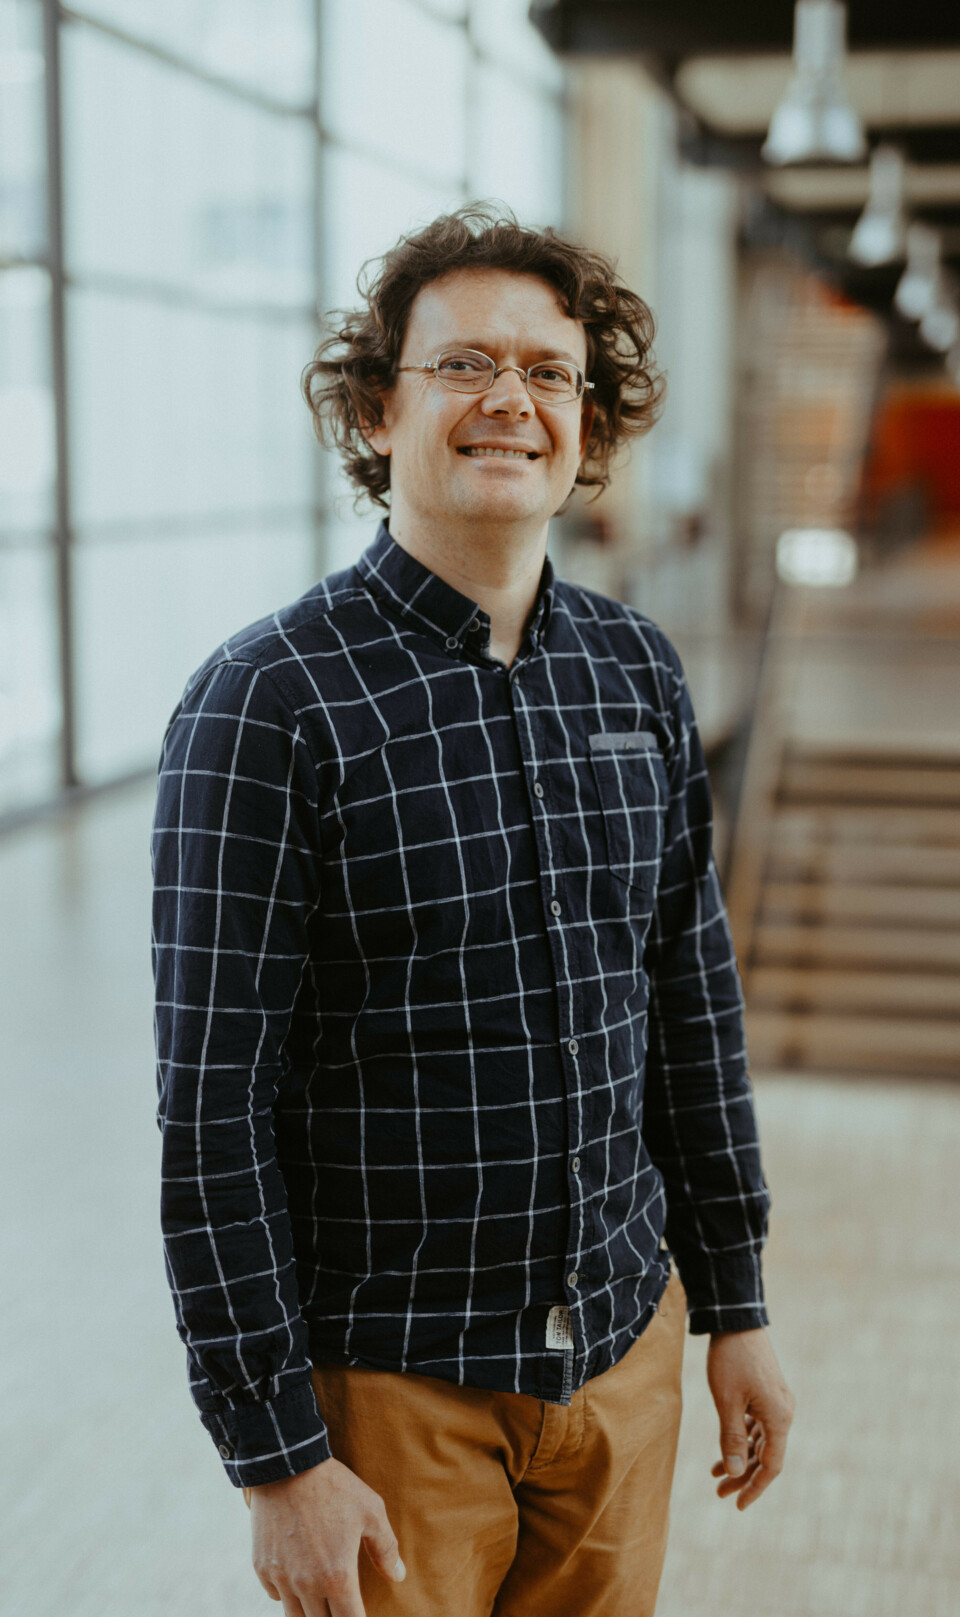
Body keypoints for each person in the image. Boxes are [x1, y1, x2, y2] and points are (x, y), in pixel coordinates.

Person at [151, 204, 794, 1617]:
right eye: (462, 366)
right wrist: (276, 1457)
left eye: (550, 373)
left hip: (621, 1361)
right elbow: (212, 1108)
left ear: (590, 427)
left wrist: (734, 1301)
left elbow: (689, 999)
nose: (512, 399)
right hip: (395, 1389)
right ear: (380, 412)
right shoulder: (269, 703)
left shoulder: (635, 673)